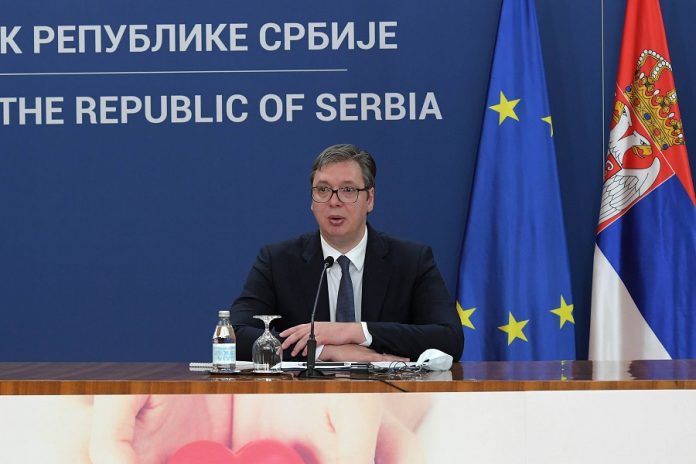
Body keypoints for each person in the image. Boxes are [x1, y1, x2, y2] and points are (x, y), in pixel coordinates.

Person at [230, 144, 463, 362]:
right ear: (312, 200)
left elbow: (449, 339)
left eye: (348, 190)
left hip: (388, 391)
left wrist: (355, 332)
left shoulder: (411, 261)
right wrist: (324, 351)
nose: (334, 201)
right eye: (323, 190)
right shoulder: (278, 261)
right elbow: (235, 335)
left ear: (370, 199)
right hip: (305, 392)